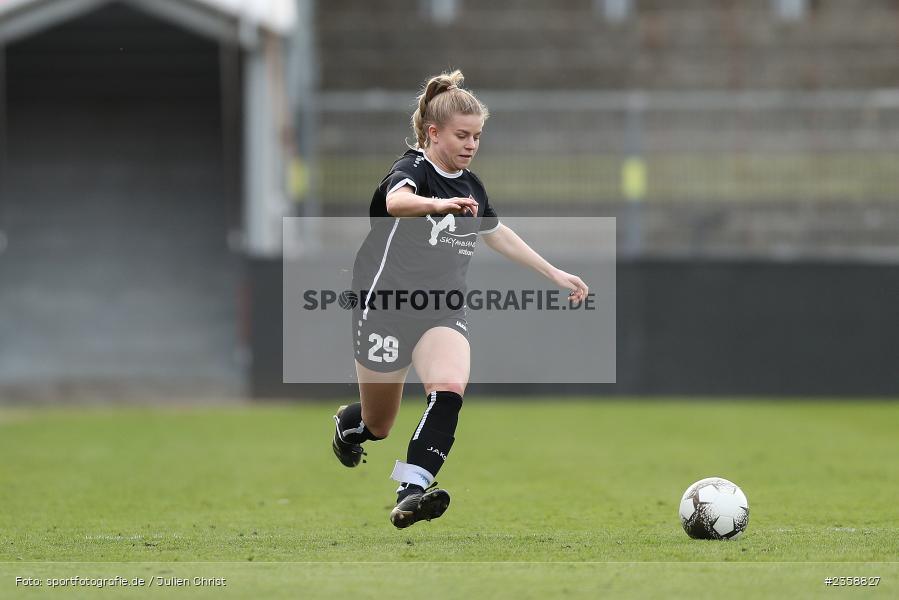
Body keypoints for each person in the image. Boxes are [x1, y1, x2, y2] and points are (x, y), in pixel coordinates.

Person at [331, 70, 588, 529]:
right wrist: (437, 206)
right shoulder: (412, 170)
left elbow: (495, 232)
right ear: (433, 133)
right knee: (378, 424)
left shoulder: (472, 185)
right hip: (384, 308)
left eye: (477, 136)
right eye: (462, 135)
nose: (471, 144)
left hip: (441, 309)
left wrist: (554, 273)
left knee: (449, 388)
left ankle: (411, 491)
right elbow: (396, 203)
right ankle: (348, 430)